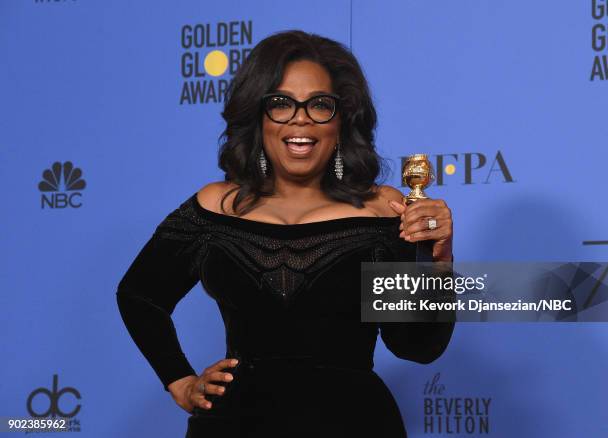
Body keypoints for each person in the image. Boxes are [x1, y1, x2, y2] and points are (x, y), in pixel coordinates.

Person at [116, 30, 454, 438]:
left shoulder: (384, 209)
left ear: (342, 119)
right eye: (280, 103)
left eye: (319, 105)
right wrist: (181, 381)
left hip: (354, 425)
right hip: (233, 427)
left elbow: (416, 346)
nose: (300, 118)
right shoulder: (214, 207)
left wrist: (437, 261)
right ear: (257, 117)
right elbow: (139, 295)